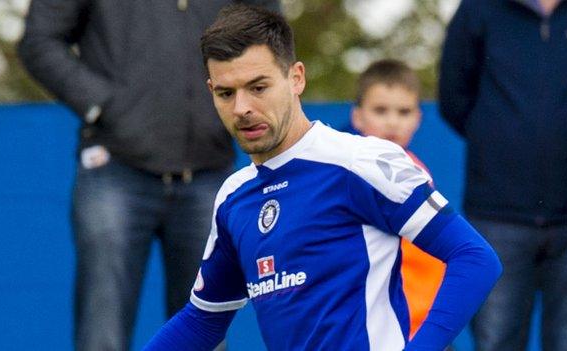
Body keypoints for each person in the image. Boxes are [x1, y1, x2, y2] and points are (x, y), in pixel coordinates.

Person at [143, 5, 501, 350]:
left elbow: (475, 258)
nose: (242, 108)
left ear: (296, 78)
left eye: (258, 87)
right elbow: (202, 321)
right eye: (226, 93)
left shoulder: (361, 161)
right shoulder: (234, 198)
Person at [17, 0, 279, 350]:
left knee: (204, 336)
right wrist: (104, 104)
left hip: (209, 170)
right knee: (102, 334)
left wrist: (232, 109)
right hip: (114, 167)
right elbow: (39, 40)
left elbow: (270, 39)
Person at [439, 0, 567, 350]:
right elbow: (453, 96)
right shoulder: (479, 9)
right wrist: (497, 143)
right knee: (495, 342)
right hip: (496, 213)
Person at [351, 59, 447, 342]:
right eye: (380, 110)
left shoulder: (419, 172)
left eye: (403, 111)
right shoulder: (346, 172)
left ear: (418, 117)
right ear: (358, 116)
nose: (393, 121)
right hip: (375, 329)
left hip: (423, 326)